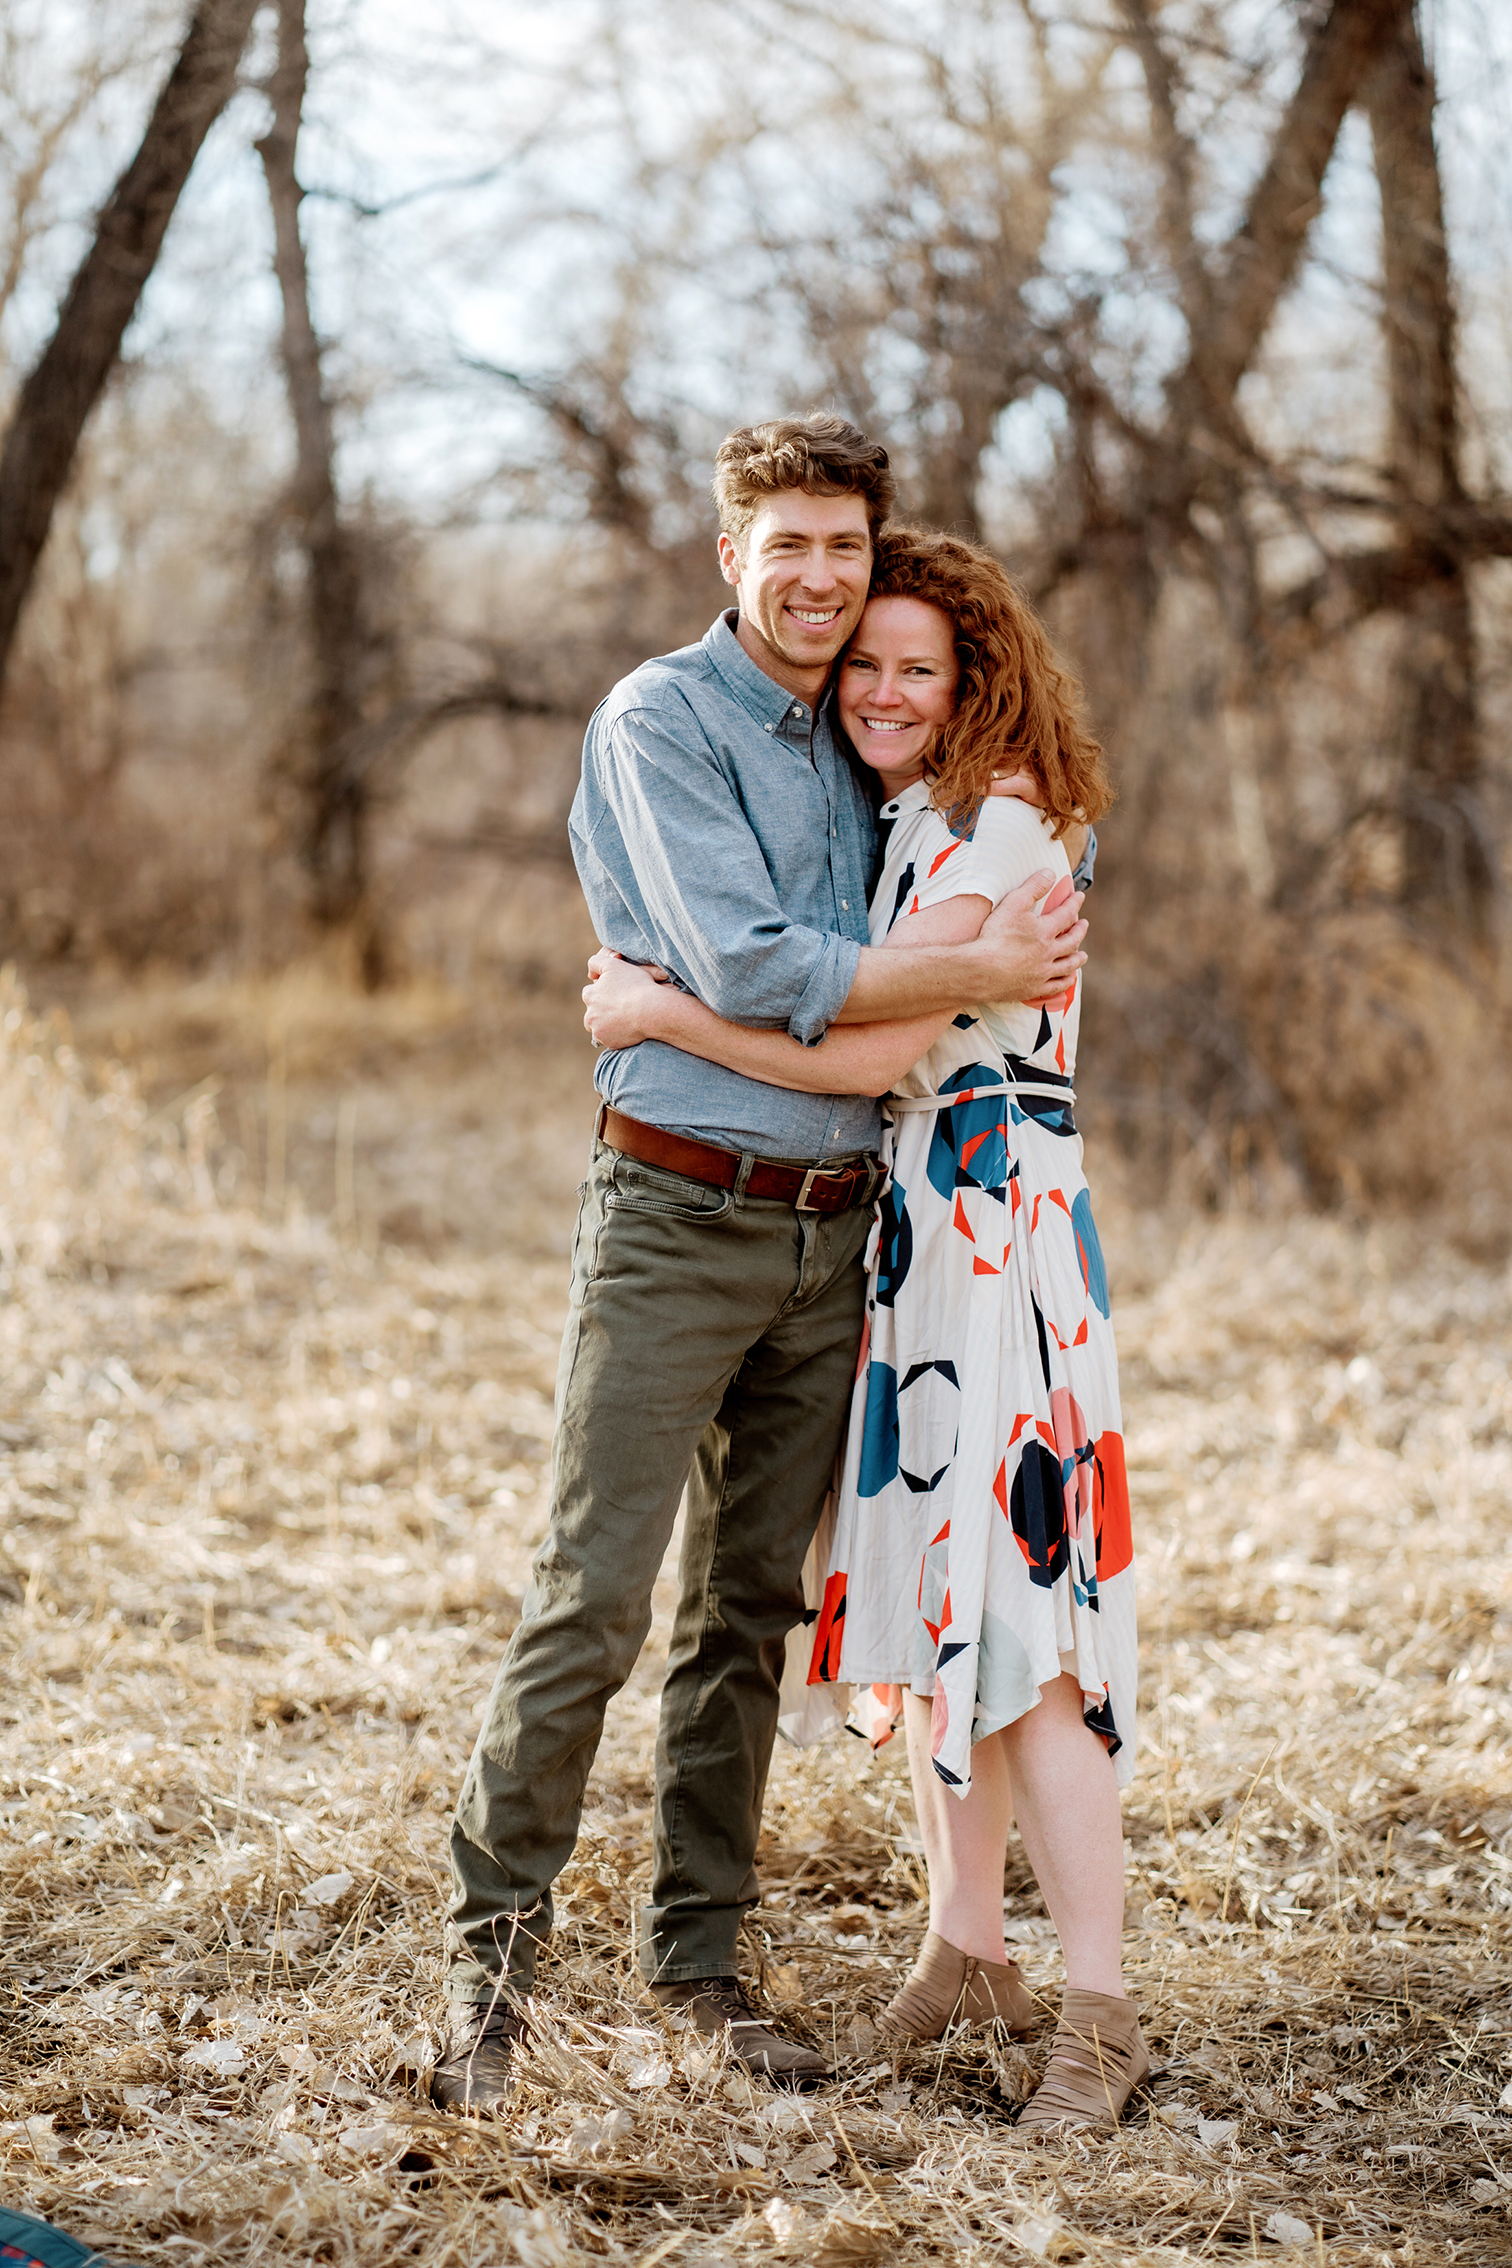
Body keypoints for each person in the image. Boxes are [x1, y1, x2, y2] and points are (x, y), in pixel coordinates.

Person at [431, 417, 1091, 2112]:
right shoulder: (662, 719)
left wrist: (961, 952)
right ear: (729, 555)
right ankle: (490, 1959)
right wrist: (950, 966)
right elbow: (752, 953)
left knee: (752, 1613)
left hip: (840, 1239)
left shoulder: (867, 746)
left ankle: (698, 1956)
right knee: (593, 1593)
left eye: (844, 549)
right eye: (786, 546)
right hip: (676, 1214)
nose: (818, 579)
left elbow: (881, 970)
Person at [582, 527, 1146, 2136]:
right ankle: (966, 1951)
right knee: (926, 1598)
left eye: (923, 668)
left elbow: (853, 1054)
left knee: (1027, 1634)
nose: (885, 691)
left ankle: (1100, 2011)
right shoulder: (906, 820)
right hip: (922, 1235)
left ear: (977, 682)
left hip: (996, 1242)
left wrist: (657, 1012)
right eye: (868, 665)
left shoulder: (997, 826)